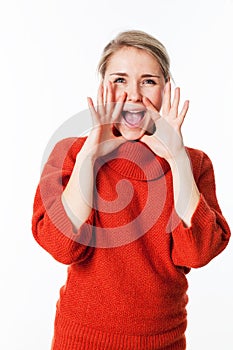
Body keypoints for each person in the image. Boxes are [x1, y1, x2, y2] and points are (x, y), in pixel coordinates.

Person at [32, 30, 231, 350]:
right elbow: (62, 246)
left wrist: (176, 158)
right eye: (120, 80)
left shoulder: (194, 163)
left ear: (166, 90)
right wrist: (90, 155)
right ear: (103, 88)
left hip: (162, 341)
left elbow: (199, 252)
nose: (134, 94)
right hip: (80, 339)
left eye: (148, 81)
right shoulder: (70, 153)